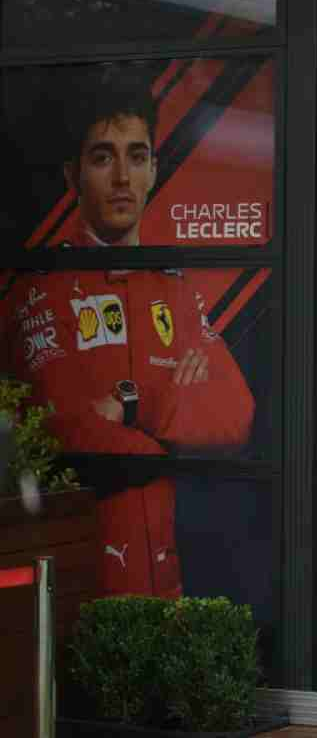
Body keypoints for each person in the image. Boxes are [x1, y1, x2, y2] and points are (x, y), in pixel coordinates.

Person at [2, 66, 255, 598]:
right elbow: (71, 431)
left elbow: (236, 414)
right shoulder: (42, 287)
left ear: (154, 169)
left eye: (136, 156)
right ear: (73, 176)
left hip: (166, 585)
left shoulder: (173, 288)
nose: (122, 177)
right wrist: (176, 432)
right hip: (79, 588)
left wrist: (132, 407)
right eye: (103, 157)